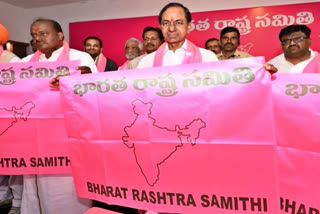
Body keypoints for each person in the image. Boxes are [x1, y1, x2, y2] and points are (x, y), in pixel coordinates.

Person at [20, 18, 97, 214]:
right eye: (34, 35)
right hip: (35, 139)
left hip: (67, 137)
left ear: (60, 36)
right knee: (35, 190)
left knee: (66, 189)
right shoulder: (24, 64)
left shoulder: (80, 59)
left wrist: (85, 78)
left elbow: (94, 93)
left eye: (43, 33)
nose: (37, 38)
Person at [137, 2, 217, 69]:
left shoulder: (207, 58)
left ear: (188, 27)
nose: (171, 29)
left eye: (178, 22)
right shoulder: (147, 62)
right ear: (161, 27)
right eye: (166, 23)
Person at [0, 23, 22, 214]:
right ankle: (2, 196)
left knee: (12, 162)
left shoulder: (13, 61)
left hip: (10, 118)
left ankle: (16, 201)